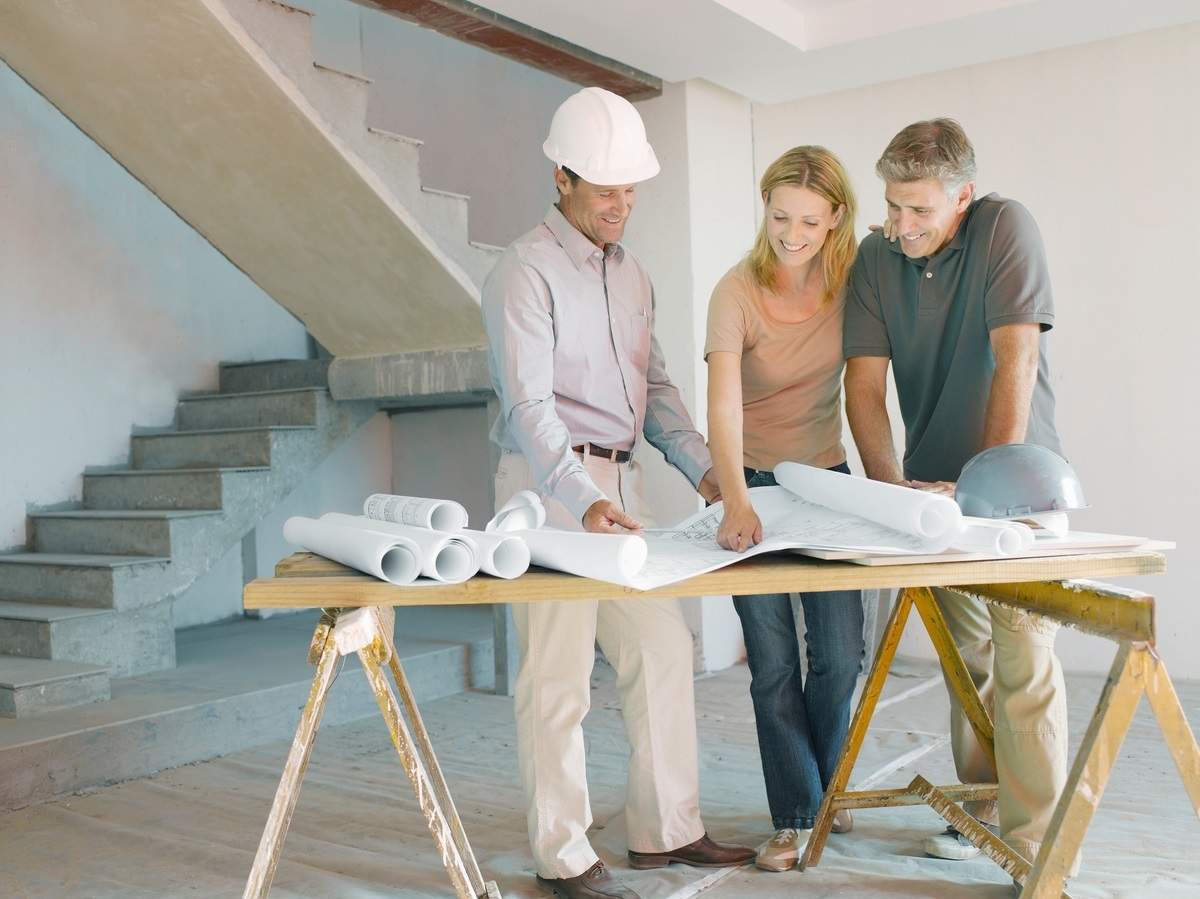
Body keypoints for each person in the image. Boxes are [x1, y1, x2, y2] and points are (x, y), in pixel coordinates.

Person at [481, 86, 755, 899]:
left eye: (630, 189)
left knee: (663, 647)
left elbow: (659, 387)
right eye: (606, 189)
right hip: (546, 488)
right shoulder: (522, 271)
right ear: (562, 178)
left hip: (618, 484)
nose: (621, 204)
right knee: (556, 676)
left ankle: (664, 831)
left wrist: (710, 472)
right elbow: (530, 407)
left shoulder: (631, 274)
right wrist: (581, 495)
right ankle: (561, 855)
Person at [842, 118, 1070, 870]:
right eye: (892, 206)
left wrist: (982, 486)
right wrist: (888, 495)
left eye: (921, 210)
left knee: (1024, 660)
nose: (901, 226)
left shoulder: (1006, 227)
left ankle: (1034, 847)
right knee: (966, 663)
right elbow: (865, 388)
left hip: (1017, 494)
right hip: (930, 495)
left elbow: (1018, 358)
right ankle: (983, 809)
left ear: (963, 197)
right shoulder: (876, 258)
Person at [703, 145, 865, 872]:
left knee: (838, 654)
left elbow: (869, 382)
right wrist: (736, 496)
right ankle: (795, 815)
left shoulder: (853, 284)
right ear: (763, 211)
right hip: (754, 481)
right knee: (771, 661)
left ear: (835, 217)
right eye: (778, 218)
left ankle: (824, 798)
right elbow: (723, 405)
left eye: (807, 220)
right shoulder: (734, 292)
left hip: (826, 477)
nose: (792, 234)